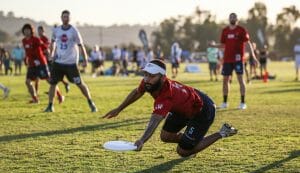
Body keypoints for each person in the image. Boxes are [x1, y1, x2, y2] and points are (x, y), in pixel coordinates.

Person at [103, 59, 238, 157]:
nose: (147, 79)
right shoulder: (149, 82)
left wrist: (142, 140)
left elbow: (155, 120)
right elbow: (137, 92)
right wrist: (119, 108)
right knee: (166, 136)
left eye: (151, 76)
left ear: (162, 77)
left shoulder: (166, 96)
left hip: (202, 110)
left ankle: (222, 132)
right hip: (183, 107)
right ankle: (190, 141)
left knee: (183, 152)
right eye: (145, 74)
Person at [44, 10, 97, 112]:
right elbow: (53, 42)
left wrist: (85, 59)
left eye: (67, 17)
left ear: (70, 18)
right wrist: (51, 54)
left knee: (80, 84)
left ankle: (91, 103)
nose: (65, 18)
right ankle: (50, 106)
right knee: (53, 83)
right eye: (64, 17)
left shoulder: (74, 31)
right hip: (58, 63)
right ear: (61, 18)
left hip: (71, 64)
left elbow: (81, 45)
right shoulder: (57, 30)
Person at [211, 13, 258, 110]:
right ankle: (224, 102)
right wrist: (214, 46)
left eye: (234, 17)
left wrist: (253, 56)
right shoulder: (225, 31)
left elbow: (248, 42)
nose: (232, 18)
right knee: (225, 80)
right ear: (228, 19)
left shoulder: (241, 30)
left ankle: (242, 102)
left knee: (241, 80)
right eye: (231, 17)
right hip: (227, 59)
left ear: (237, 19)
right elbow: (223, 45)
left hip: (238, 59)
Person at [22, 23, 64, 104]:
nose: (27, 31)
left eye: (28, 30)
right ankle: (35, 99)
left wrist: (49, 57)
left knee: (49, 81)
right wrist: (26, 59)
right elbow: (27, 52)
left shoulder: (36, 39)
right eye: (25, 30)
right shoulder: (24, 41)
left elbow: (45, 48)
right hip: (31, 65)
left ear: (31, 31)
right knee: (27, 82)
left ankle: (59, 96)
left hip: (41, 64)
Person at [38, 25, 70, 93]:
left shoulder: (45, 39)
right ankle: (52, 90)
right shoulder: (39, 39)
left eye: (40, 31)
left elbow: (47, 48)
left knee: (52, 76)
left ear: (43, 31)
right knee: (46, 77)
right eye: (38, 31)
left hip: (48, 60)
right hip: (42, 60)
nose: (39, 32)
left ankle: (56, 90)